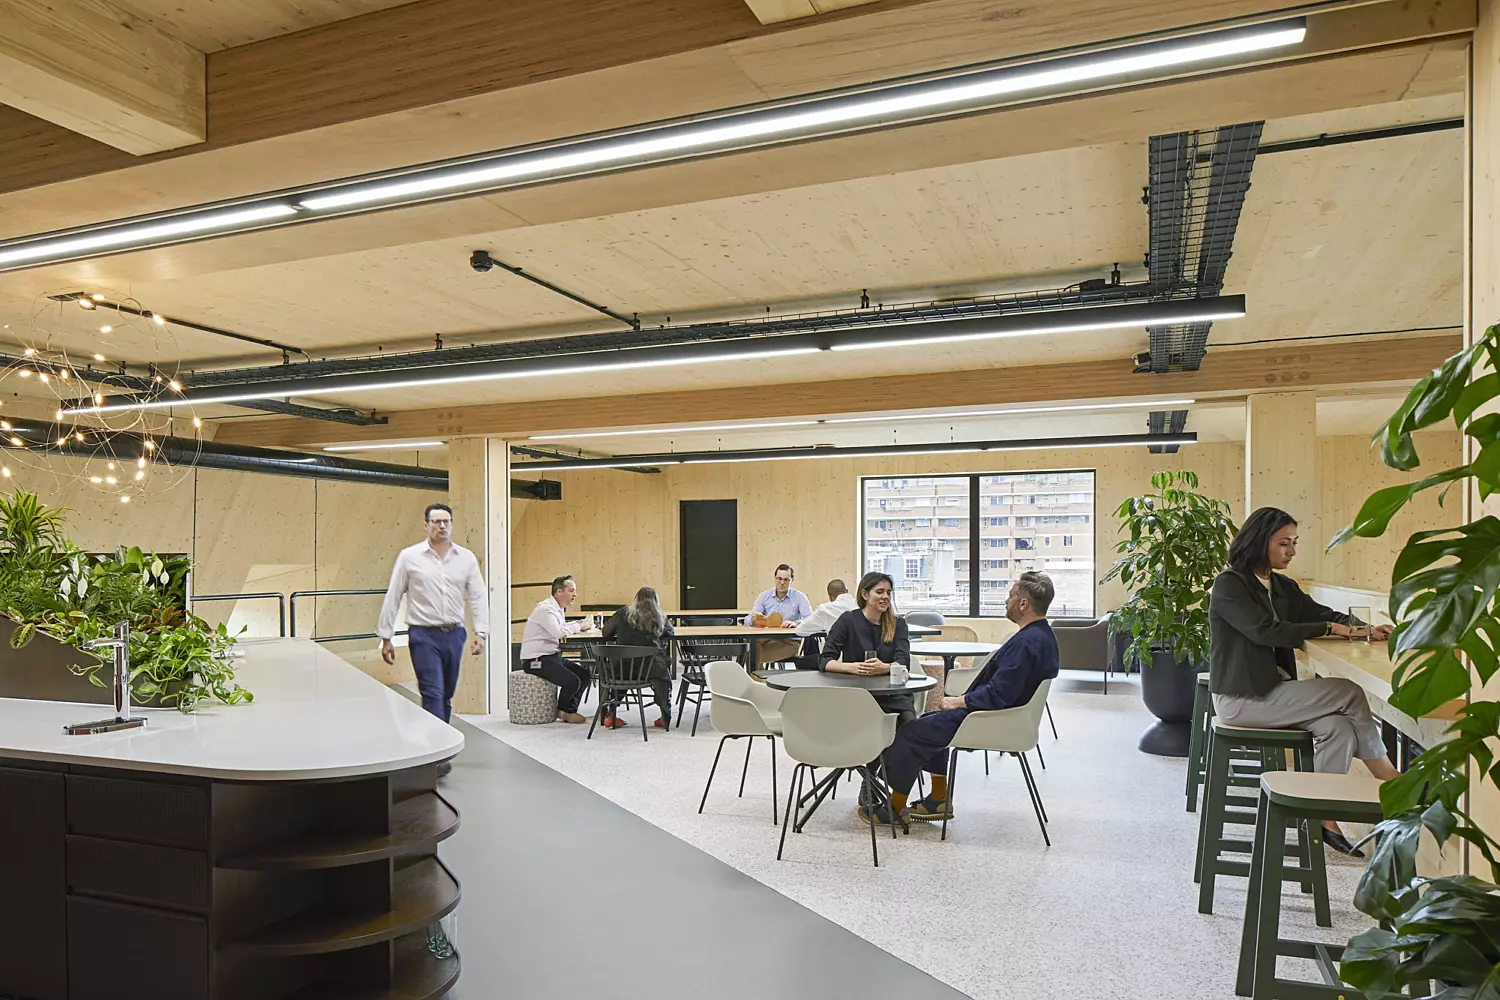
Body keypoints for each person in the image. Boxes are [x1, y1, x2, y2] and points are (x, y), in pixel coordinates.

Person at [1208, 506, 1399, 857]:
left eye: (1294, 542)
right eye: (1284, 543)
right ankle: (1390, 778)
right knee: (1350, 692)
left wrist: (1364, 629)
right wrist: (1330, 629)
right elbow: (1264, 631)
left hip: (1275, 693)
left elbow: (1322, 615)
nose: (1292, 551)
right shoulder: (1230, 584)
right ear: (1259, 541)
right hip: (1242, 698)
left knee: (1338, 727)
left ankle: (1323, 818)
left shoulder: (1283, 586)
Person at [878, 572, 1060, 826]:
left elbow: (1000, 693)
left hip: (993, 719)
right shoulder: (1043, 636)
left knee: (911, 732)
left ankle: (894, 807)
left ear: (1023, 603)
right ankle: (938, 799)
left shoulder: (1026, 642)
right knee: (931, 720)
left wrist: (960, 701)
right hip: (1011, 717)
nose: (1005, 602)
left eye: (1009, 597)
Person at [378, 502, 488, 727]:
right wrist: (386, 636)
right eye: (436, 522)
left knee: (446, 694)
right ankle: (437, 754)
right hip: (423, 635)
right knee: (432, 692)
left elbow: (478, 596)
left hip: (454, 634)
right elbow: (394, 595)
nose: (442, 526)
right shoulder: (409, 557)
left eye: (446, 522)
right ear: (426, 526)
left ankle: (441, 741)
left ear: (451, 525)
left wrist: (482, 632)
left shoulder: (465, 558)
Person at [819, 572, 917, 810]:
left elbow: (902, 662)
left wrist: (885, 667)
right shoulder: (848, 621)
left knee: (910, 727)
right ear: (865, 594)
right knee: (872, 725)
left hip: (894, 696)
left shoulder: (898, 624)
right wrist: (850, 667)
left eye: (888, 593)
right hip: (858, 697)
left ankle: (876, 779)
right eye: (879, 592)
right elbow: (825, 660)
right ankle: (871, 781)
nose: (885, 597)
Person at [519, 575, 599, 724]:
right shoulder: (546, 609)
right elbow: (559, 632)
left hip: (551, 656)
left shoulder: (558, 609)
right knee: (573, 681)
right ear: (559, 592)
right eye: (571, 590)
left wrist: (577, 624)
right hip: (535, 661)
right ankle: (563, 712)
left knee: (584, 675)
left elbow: (561, 628)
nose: (575, 594)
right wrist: (578, 626)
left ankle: (570, 710)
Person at [601, 586, 676, 729]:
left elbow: (605, 632)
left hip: (623, 668)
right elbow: (671, 634)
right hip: (651, 668)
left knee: (621, 675)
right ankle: (664, 716)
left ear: (635, 599)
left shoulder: (622, 613)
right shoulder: (659, 616)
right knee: (663, 679)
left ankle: (610, 715)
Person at [793, 578, 857, 669]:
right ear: (846, 591)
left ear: (830, 596)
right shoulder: (861, 606)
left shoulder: (825, 609)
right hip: (861, 660)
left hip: (836, 662)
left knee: (800, 661)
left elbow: (800, 631)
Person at [744, 564, 812, 627]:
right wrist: (752, 619)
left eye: (786, 580)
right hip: (766, 636)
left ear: (792, 580)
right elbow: (746, 621)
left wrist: (796, 623)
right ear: (774, 578)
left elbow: (810, 619)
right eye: (779, 579)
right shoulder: (764, 596)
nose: (782, 582)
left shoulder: (800, 597)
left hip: (789, 637)